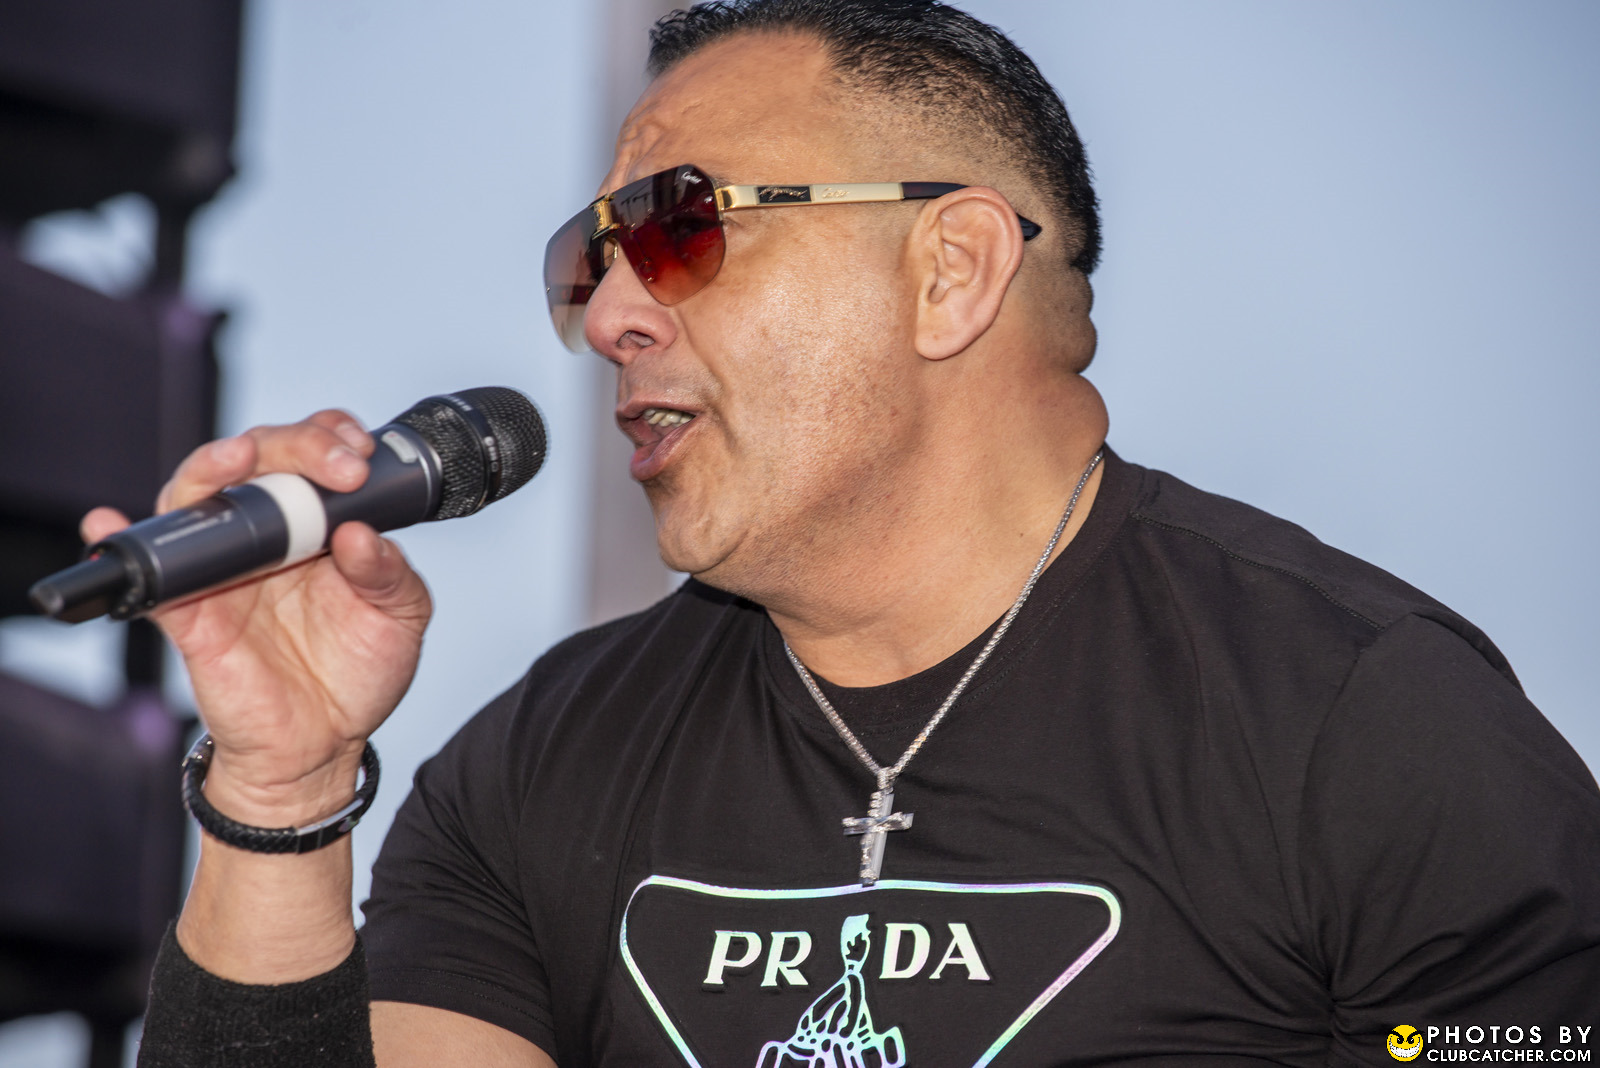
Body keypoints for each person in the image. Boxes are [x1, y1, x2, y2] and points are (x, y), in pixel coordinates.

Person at [120, 2, 1599, 1066]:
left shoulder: (1360, 717)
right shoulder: (538, 765)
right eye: (592, 262)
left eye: (681, 225)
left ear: (951, 272)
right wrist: (280, 787)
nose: (615, 314)